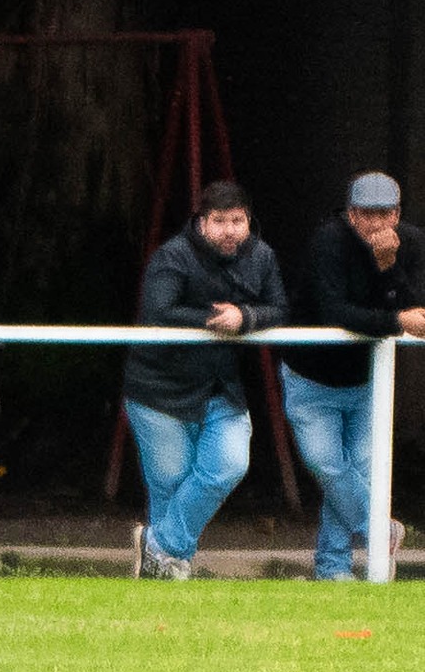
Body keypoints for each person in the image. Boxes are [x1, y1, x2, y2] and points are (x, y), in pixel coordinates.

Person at [123, 180, 287, 580]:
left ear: (249, 220)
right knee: (171, 484)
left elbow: (280, 307)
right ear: (201, 221)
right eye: (219, 221)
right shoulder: (173, 257)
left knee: (229, 465)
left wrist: (246, 319)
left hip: (221, 389)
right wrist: (217, 322)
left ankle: (158, 546)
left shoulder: (261, 256)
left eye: (238, 220)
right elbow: (157, 311)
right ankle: (168, 577)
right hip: (158, 390)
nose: (230, 230)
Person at [279, 173, 423, 580]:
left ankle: (332, 566)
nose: (376, 223)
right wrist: (395, 320)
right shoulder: (328, 241)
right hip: (311, 375)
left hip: (366, 378)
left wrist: (388, 267)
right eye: (365, 214)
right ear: (350, 213)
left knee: (358, 471)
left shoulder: (410, 242)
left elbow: (414, 306)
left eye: (385, 213)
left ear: (397, 213)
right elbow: (336, 313)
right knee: (328, 465)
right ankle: (379, 530)